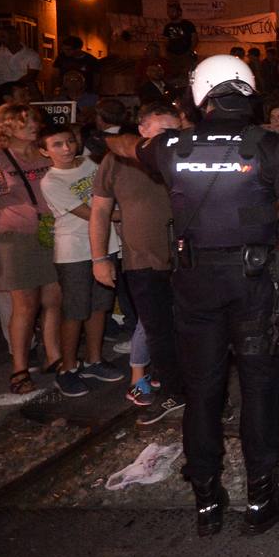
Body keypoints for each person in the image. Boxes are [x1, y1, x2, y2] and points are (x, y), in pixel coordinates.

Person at [105, 54, 279, 537]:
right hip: (252, 282)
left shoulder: (170, 145)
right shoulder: (268, 144)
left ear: (201, 94)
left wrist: (114, 137)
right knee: (261, 387)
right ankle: (262, 498)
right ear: (248, 91)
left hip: (195, 282)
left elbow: (125, 147)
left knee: (203, 390)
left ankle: (206, 500)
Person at [90, 101, 187, 422]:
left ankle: (185, 384)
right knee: (157, 327)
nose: (168, 138)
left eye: (174, 131)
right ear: (142, 131)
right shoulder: (115, 161)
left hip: (188, 257)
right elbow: (100, 212)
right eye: (162, 131)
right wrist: (99, 258)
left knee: (189, 326)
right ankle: (175, 391)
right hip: (142, 258)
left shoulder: (184, 156)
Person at [0, 104, 63, 395]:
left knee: (53, 298)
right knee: (24, 306)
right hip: (17, 237)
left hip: (52, 233)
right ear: (6, 127)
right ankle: (19, 368)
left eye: (33, 121)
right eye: (24, 123)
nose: (33, 126)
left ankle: (54, 356)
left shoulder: (45, 152)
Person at [39, 124, 124, 397]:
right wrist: (125, 213)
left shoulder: (90, 163)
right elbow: (90, 213)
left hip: (104, 244)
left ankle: (94, 359)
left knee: (101, 305)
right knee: (76, 310)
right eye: (57, 145)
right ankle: (67, 368)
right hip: (74, 251)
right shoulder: (51, 181)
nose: (66, 149)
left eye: (69, 142)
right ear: (44, 151)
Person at [0, 27, 42, 103]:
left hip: (23, 89)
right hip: (1, 91)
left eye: (3, 37)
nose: (0, 40)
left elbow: (31, 76)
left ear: (14, 36)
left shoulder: (32, 54)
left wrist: (12, 88)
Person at [162, 0, 198, 81]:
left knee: (186, 76)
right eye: (169, 12)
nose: (170, 14)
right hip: (173, 55)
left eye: (173, 12)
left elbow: (194, 38)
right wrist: (166, 52)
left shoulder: (188, 24)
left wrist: (190, 51)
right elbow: (166, 41)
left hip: (185, 54)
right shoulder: (168, 27)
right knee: (173, 75)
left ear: (179, 12)